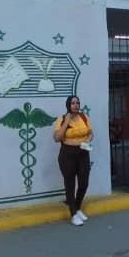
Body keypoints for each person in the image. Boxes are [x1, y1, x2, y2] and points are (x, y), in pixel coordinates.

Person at [52, 95, 94, 226]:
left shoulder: (84, 117)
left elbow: (91, 133)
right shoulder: (62, 119)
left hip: (83, 153)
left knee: (84, 183)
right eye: (73, 103)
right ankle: (73, 214)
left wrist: (88, 139)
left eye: (77, 103)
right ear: (68, 105)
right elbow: (57, 138)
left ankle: (77, 206)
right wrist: (66, 122)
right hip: (67, 155)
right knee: (70, 184)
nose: (76, 105)